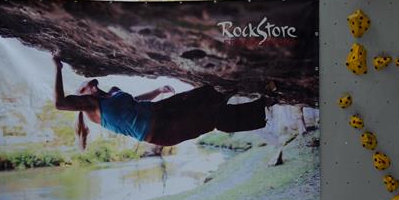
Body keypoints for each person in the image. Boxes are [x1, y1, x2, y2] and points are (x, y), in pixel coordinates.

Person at [52, 55, 267, 149]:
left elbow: (136, 101)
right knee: (212, 118)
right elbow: (60, 103)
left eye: (92, 83)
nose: (91, 86)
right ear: (82, 96)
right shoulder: (92, 108)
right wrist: (58, 69)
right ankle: (264, 106)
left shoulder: (115, 92)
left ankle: (246, 82)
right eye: (85, 88)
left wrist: (159, 90)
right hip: (162, 131)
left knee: (205, 94)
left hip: (161, 109)